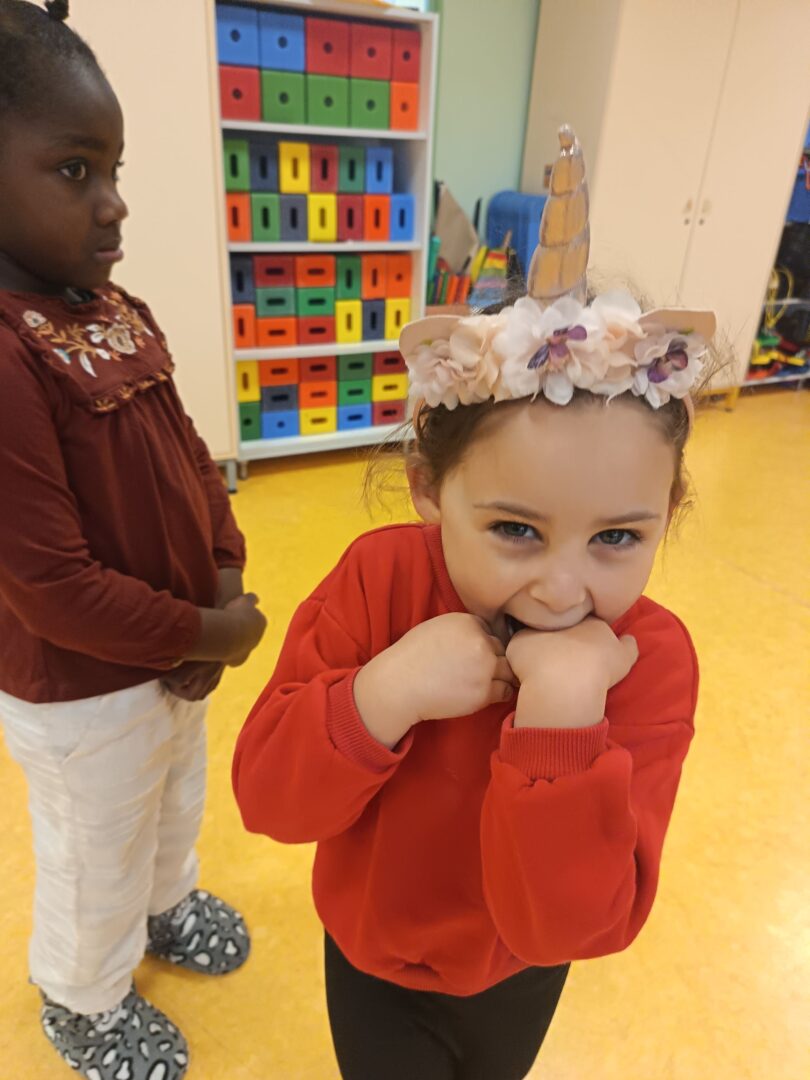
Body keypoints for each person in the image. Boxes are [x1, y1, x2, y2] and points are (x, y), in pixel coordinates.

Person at [233, 126, 715, 1080]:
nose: (563, 589)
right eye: (516, 529)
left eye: (618, 538)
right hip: (373, 959)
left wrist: (564, 718)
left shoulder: (650, 659)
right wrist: (380, 695)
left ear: (669, 511)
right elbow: (268, 801)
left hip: (519, 970)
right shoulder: (378, 581)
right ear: (428, 488)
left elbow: (579, 926)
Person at [0, 3, 266, 1078]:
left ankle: (167, 904)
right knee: (94, 850)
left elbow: (191, 455)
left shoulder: (114, 307)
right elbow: (52, 587)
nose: (112, 202)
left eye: (113, 169)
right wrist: (207, 632)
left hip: (173, 657)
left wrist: (225, 577)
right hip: (82, 691)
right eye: (74, 170)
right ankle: (84, 998)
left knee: (172, 799)